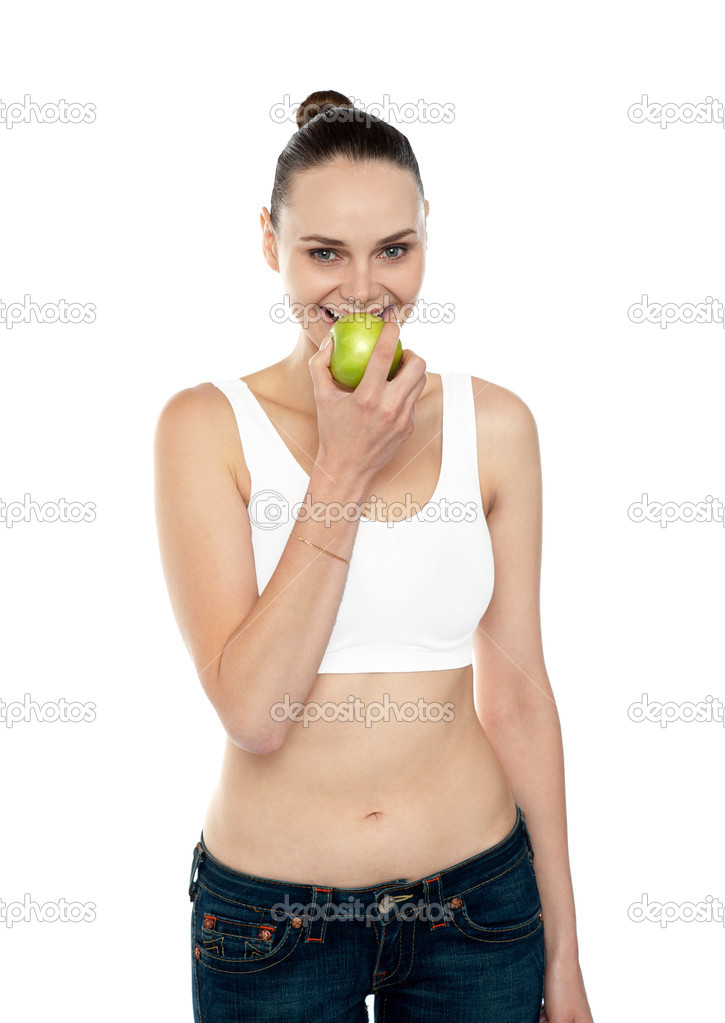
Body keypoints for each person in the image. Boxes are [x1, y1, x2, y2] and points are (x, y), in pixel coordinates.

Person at [154, 89, 594, 1023]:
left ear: (427, 237)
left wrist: (565, 954)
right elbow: (252, 709)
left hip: (479, 911)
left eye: (394, 248)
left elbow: (517, 693)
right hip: (269, 926)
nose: (362, 289)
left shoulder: (497, 424)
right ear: (269, 242)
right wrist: (344, 463)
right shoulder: (206, 427)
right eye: (323, 253)